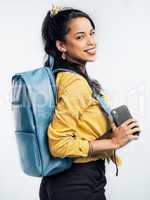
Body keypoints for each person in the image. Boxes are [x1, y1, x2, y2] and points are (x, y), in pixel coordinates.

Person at [39, 4, 140, 200]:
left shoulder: (64, 77)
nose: (91, 41)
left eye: (91, 33)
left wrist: (114, 134)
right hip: (75, 181)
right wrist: (112, 141)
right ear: (61, 45)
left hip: (71, 180)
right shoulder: (75, 83)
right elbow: (59, 144)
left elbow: (78, 130)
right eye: (80, 37)